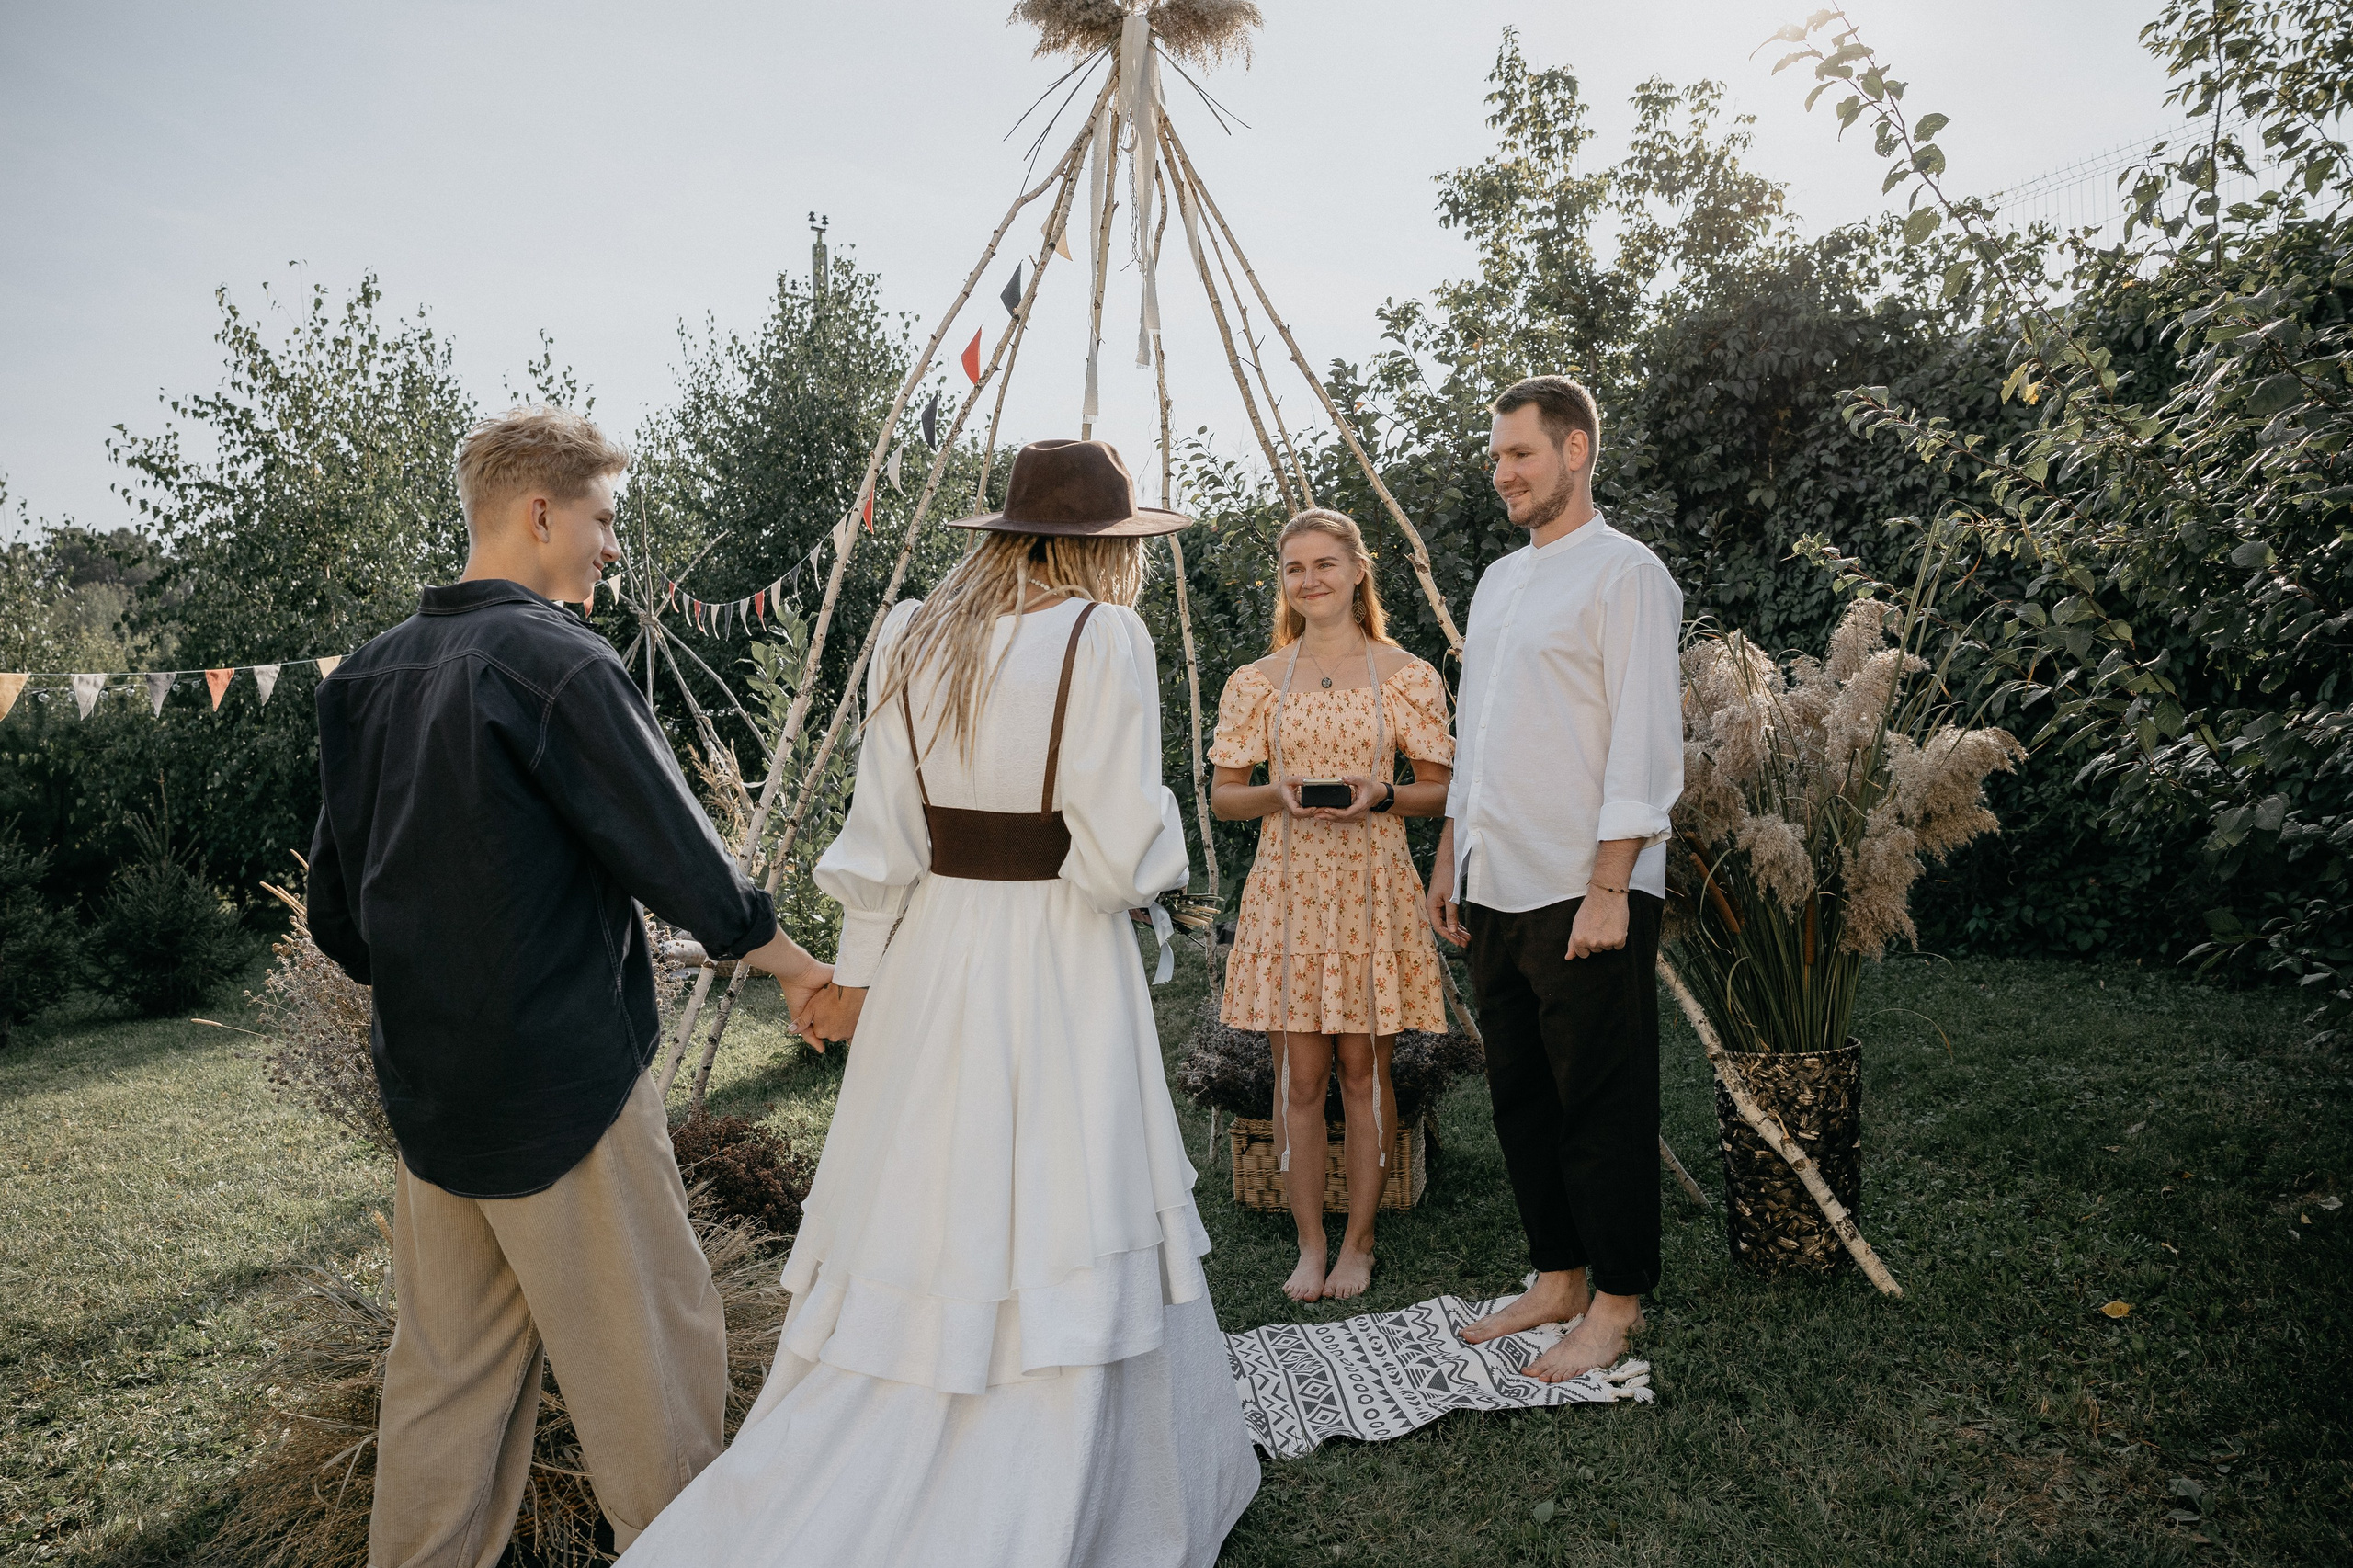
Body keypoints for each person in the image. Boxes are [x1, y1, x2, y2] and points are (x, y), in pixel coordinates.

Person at [617, 439, 1258, 1568]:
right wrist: (1149, 837)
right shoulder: (1105, 638)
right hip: (1060, 960)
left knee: (930, 1189)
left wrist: (858, 975)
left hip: (934, 955)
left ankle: (877, 1444)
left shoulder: (915, 631)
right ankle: (1060, 1474)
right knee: (1067, 1188)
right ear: (1101, 551)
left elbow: (883, 839)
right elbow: (1117, 866)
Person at [306, 404, 839, 1567]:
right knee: (655, 1368)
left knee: (445, 1391)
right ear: (540, 512)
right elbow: (680, 854)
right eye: (603, 520)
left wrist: (442, 992)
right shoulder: (555, 661)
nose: (611, 546)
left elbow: (337, 916)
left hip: (432, 1105)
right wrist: (799, 969)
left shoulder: (368, 679)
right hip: (566, 1095)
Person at [1424, 375, 1684, 1382]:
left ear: (1575, 452)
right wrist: (1450, 852)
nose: (1502, 473)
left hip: (1586, 882)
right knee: (1524, 1096)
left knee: (1602, 1100)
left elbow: (1645, 741)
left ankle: (1616, 1300)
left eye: (1518, 455)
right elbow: (1475, 735)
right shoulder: (1496, 580)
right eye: (1495, 457)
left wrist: (1612, 885)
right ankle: (1557, 1273)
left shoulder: (1626, 574)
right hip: (1496, 874)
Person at [1209, 509, 1456, 1302]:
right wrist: (1274, 793)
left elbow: (1443, 789)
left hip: (1372, 887)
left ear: (1357, 570)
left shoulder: (1408, 675)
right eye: (1294, 568)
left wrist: (1383, 795)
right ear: (1283, 582)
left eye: (1324, 564)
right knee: (1298, 1076)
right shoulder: (1255, 681)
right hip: (1288, 891)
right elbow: (1222, 798)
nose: (1310, 579)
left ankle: (1361, 1241)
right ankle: (1309, 1244)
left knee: (1362, 1066)